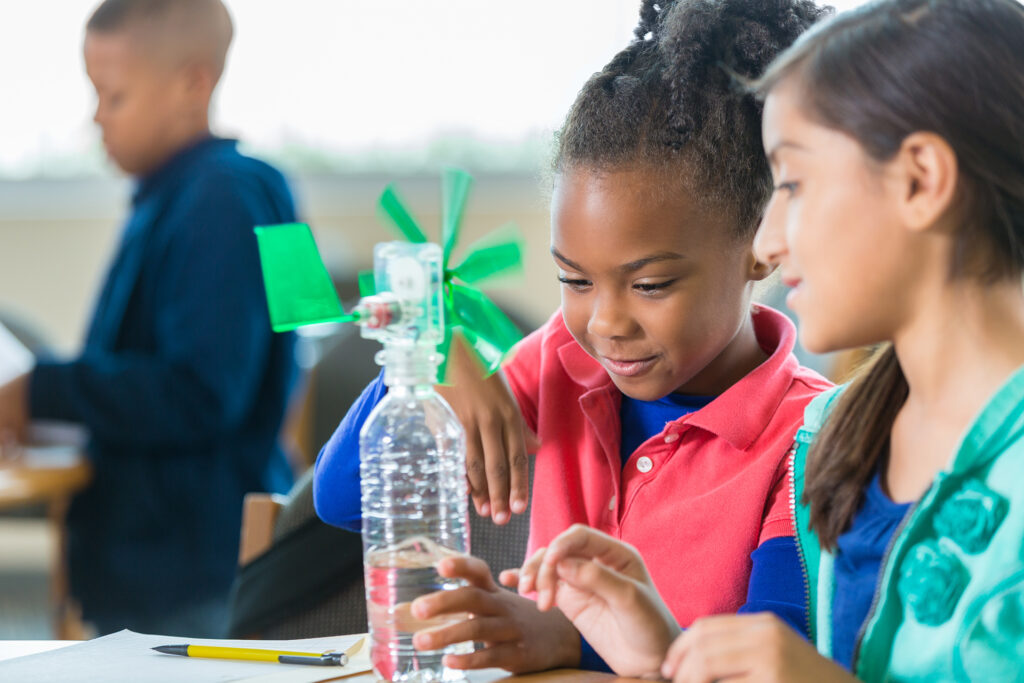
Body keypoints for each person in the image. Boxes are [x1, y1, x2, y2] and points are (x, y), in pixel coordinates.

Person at [314, 0, 831, 674]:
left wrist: (570, 638)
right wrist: (424, 369)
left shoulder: (809, 437)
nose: (607, 323)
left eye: (649, 285)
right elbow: (340, 498)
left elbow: (771, 656)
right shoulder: (563, 361)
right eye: (574, 279)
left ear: (761, 244)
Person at [519, 0, 1024, 680]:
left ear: (920, 180)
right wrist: (666, 656)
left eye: (792, 183)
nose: (766, 239)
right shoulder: (836, 437)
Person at [0, 0, 298, 636]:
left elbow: (202, 392)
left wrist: (39, 390)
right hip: (182, 556)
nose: (97, 118)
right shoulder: (240, 188)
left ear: (194, 82)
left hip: (188, 573)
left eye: (114, 97)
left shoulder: (219, 199)